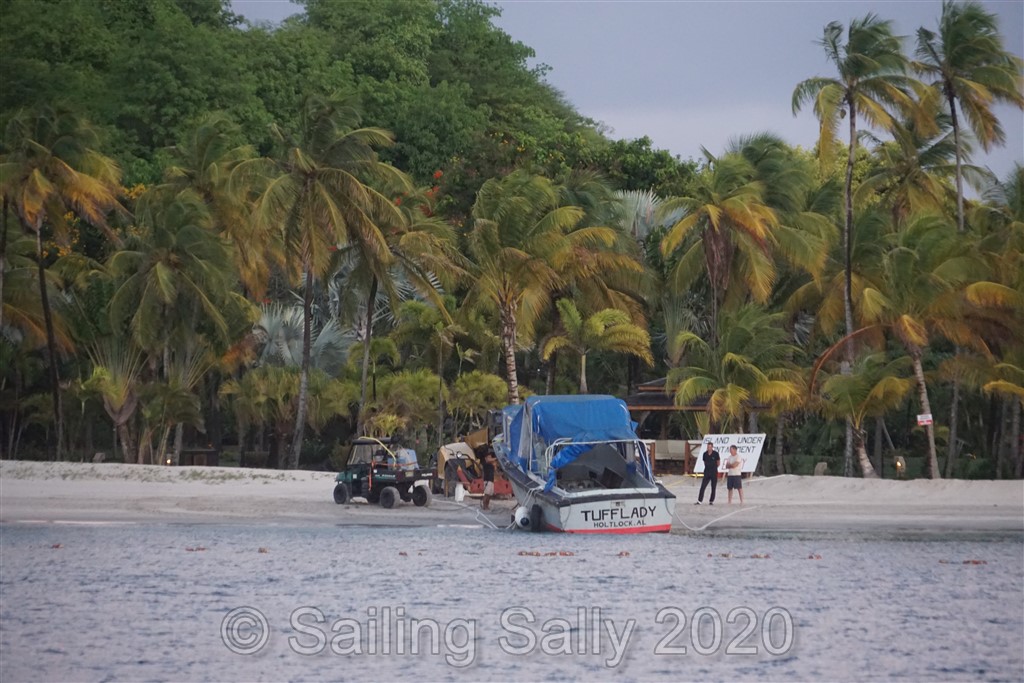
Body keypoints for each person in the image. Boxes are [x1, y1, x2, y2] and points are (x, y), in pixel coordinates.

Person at [695, 441, 720, 505]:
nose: (709, 448)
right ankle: (699, 500)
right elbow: (704, 462)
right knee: (703, 486)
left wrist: (714, 467)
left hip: (714, 472)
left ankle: (711, 500)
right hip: (707, 472)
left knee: (713, 487)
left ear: (712, 447)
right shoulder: (705, 454)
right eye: (708, 447)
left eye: (710, 447)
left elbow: (718, 462)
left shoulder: (716, 454)